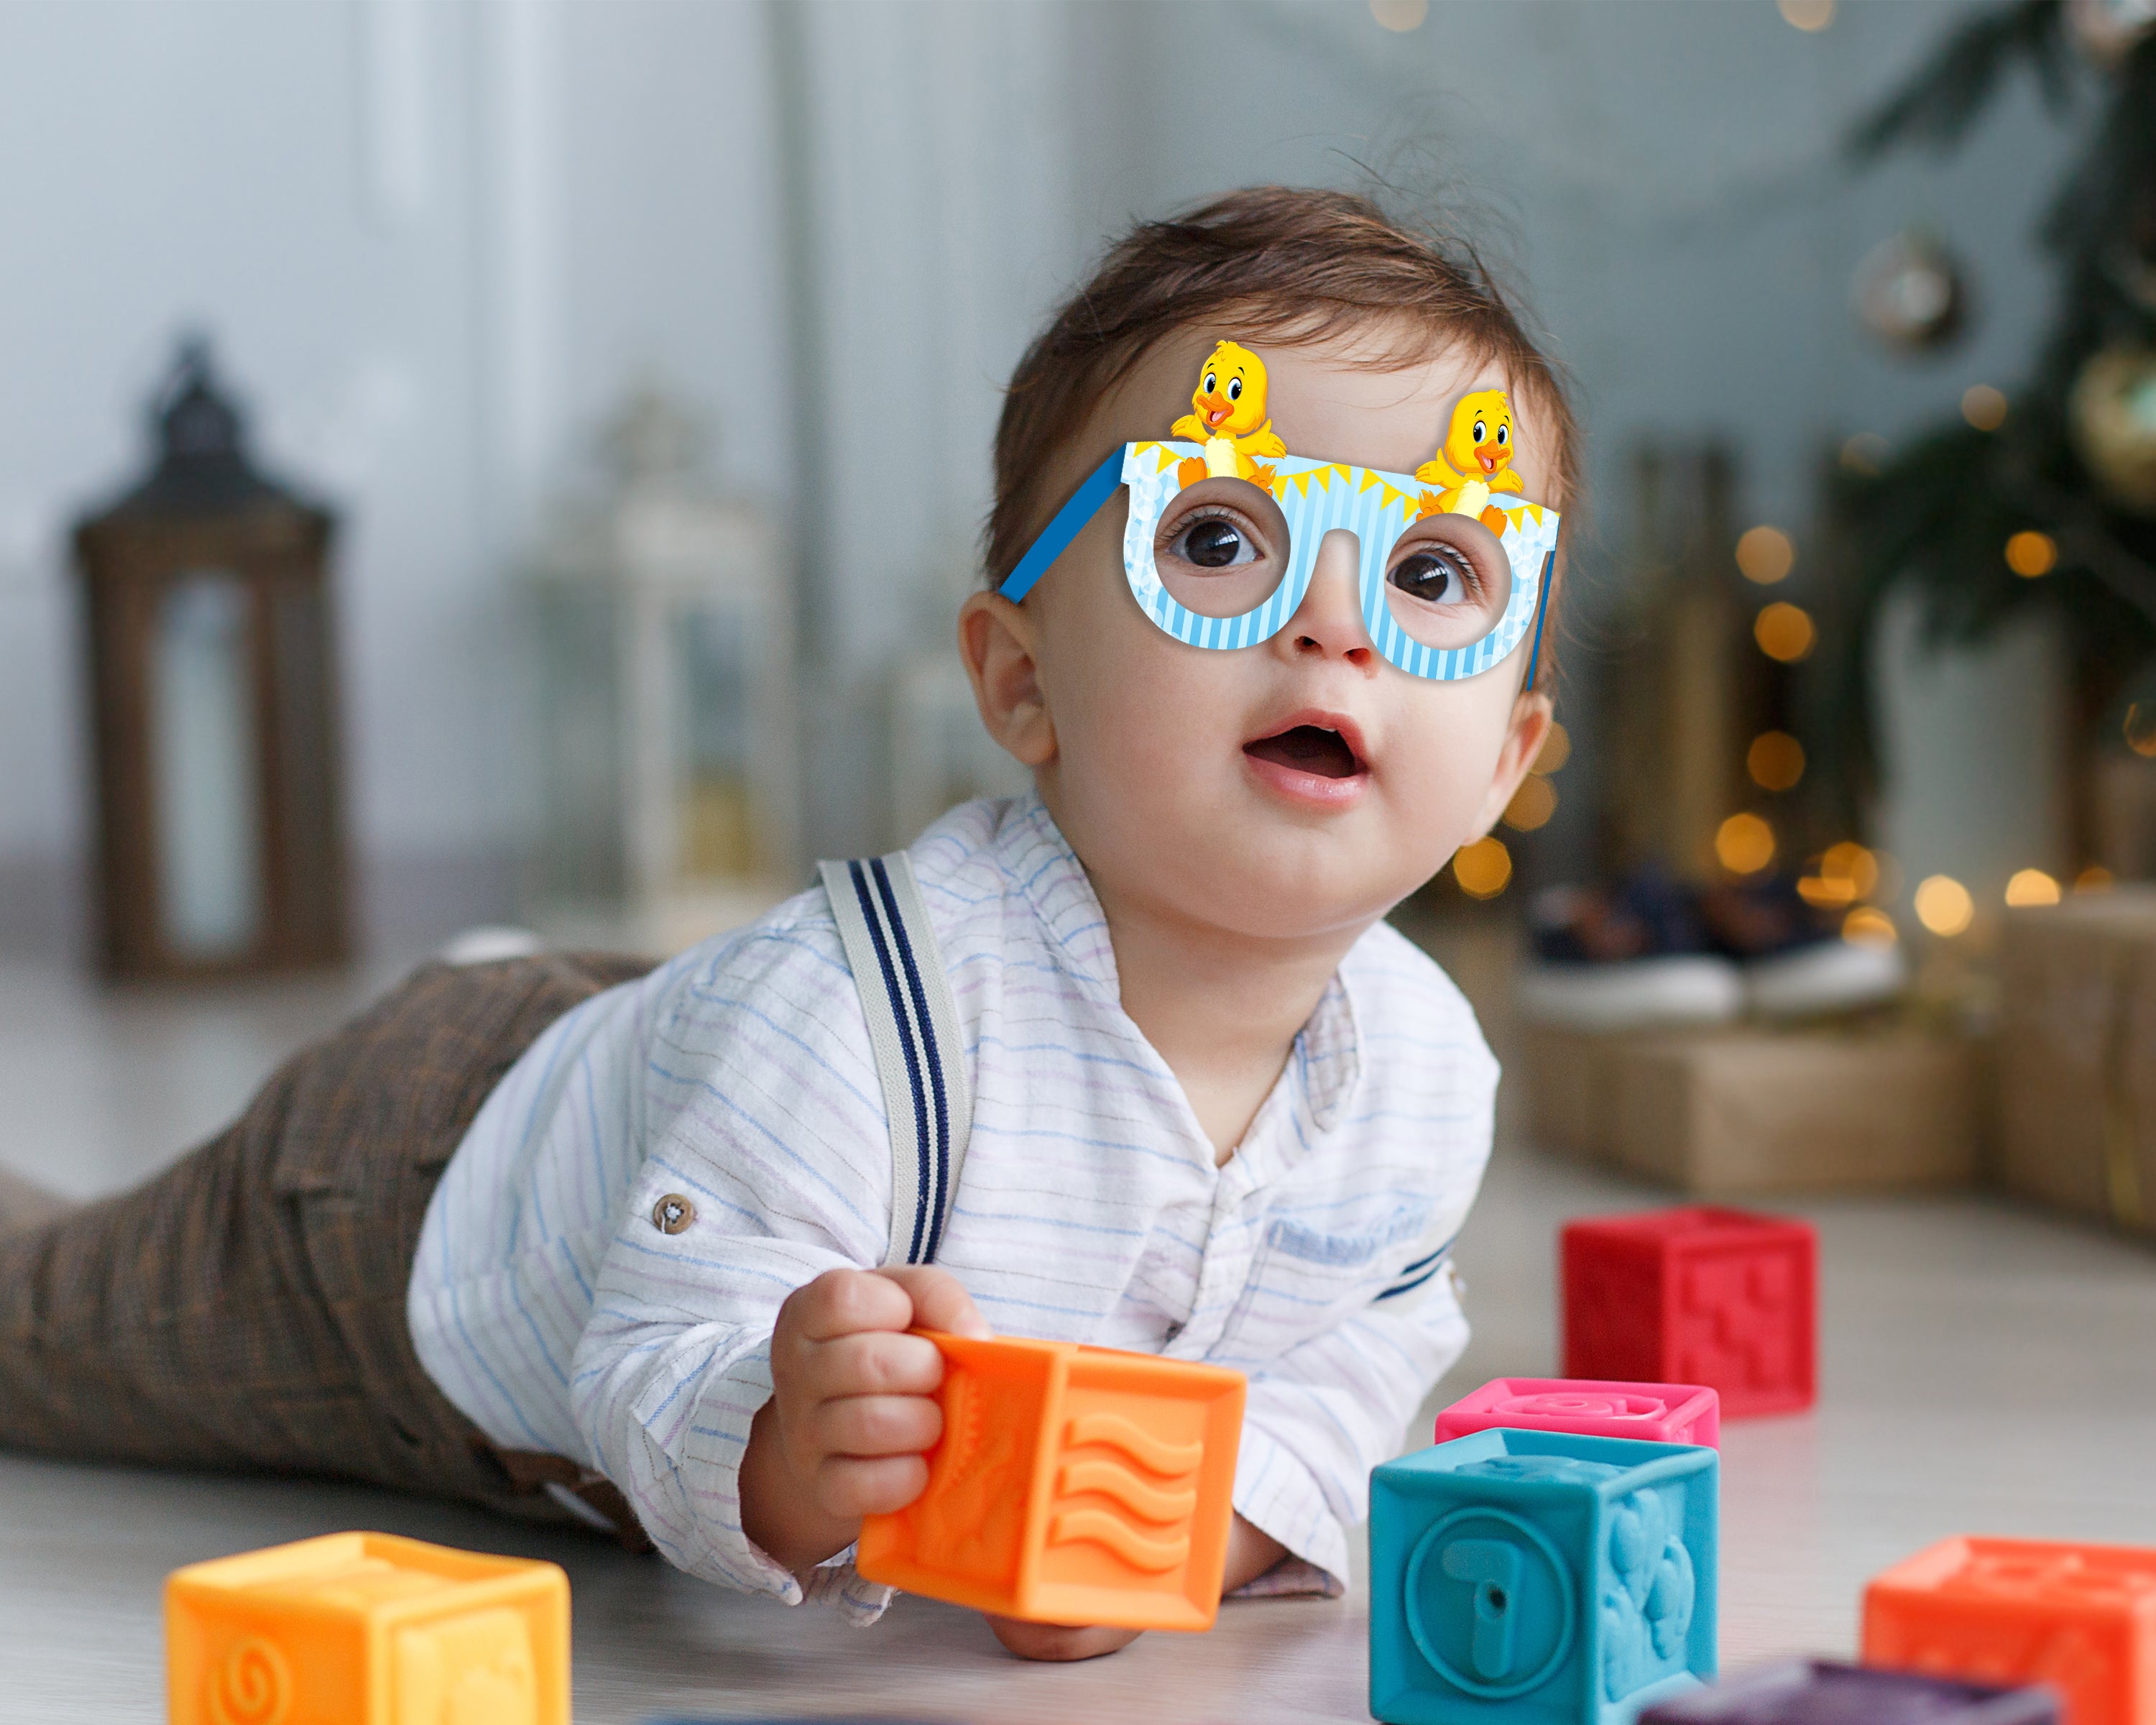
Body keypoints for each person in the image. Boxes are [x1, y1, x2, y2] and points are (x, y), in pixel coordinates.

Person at [0, 185, 1574, 1663]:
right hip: (406, 1209)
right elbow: (653, 1347)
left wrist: (1196, 1533)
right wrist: (777, 1445)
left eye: (1440, 570)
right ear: (1023, 683)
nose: (1337, 623)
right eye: (1220, 542)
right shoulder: (873, 1014)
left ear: (1506, 759)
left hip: (688, 1079)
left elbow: (1360, 1351)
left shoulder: (1424, 1075)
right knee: (48, 1322)